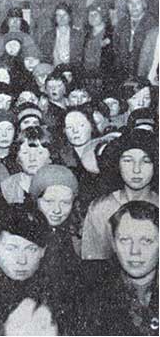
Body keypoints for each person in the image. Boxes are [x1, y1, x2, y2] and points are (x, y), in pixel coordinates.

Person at [81, 201, 159, 335]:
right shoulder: (91, 294)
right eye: (125, 240)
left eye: (146, 241)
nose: (134, 251)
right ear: (113, 243)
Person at [82, 129, 158, 260]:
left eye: (146, 161)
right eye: (128, 161)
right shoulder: (100, 209)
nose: (136, 170)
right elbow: (93, 264)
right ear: (117, 164)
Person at [114, 0, 158, 78]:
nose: (134, 6)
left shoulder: (152, 24)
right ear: (127, 5)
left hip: (143, 75)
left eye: (138, 3)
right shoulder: (121, 24)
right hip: (122, 74)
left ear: (144, 4)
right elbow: (116, 48)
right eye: (131, 3)